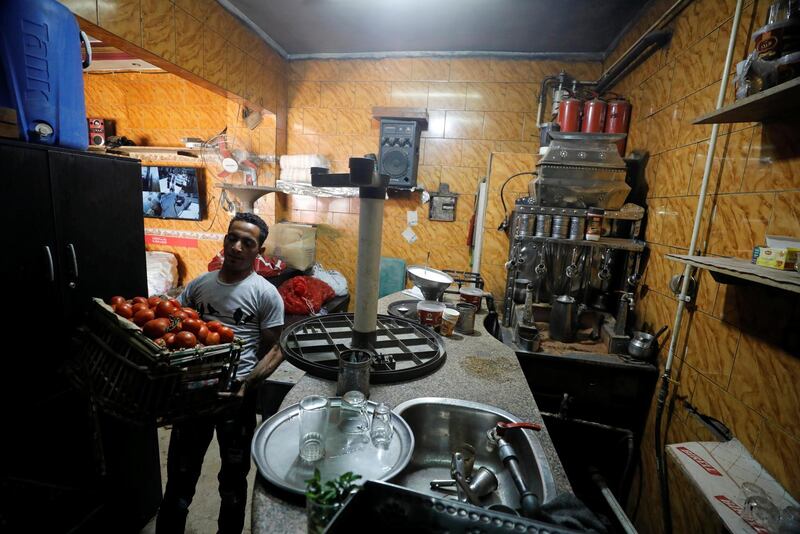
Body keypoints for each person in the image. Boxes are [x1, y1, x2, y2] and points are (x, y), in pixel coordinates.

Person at [156, 212, 285, 534]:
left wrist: (248, 384)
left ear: (260, 252)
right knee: (179, 484)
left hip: (235, 400)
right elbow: (176, 326)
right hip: (193, 397)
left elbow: (276, 349)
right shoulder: (200, 285)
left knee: (232, 484)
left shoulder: (265, 293)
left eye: (248, 242)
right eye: (232, 238)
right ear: (225, 240)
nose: (237, 247)